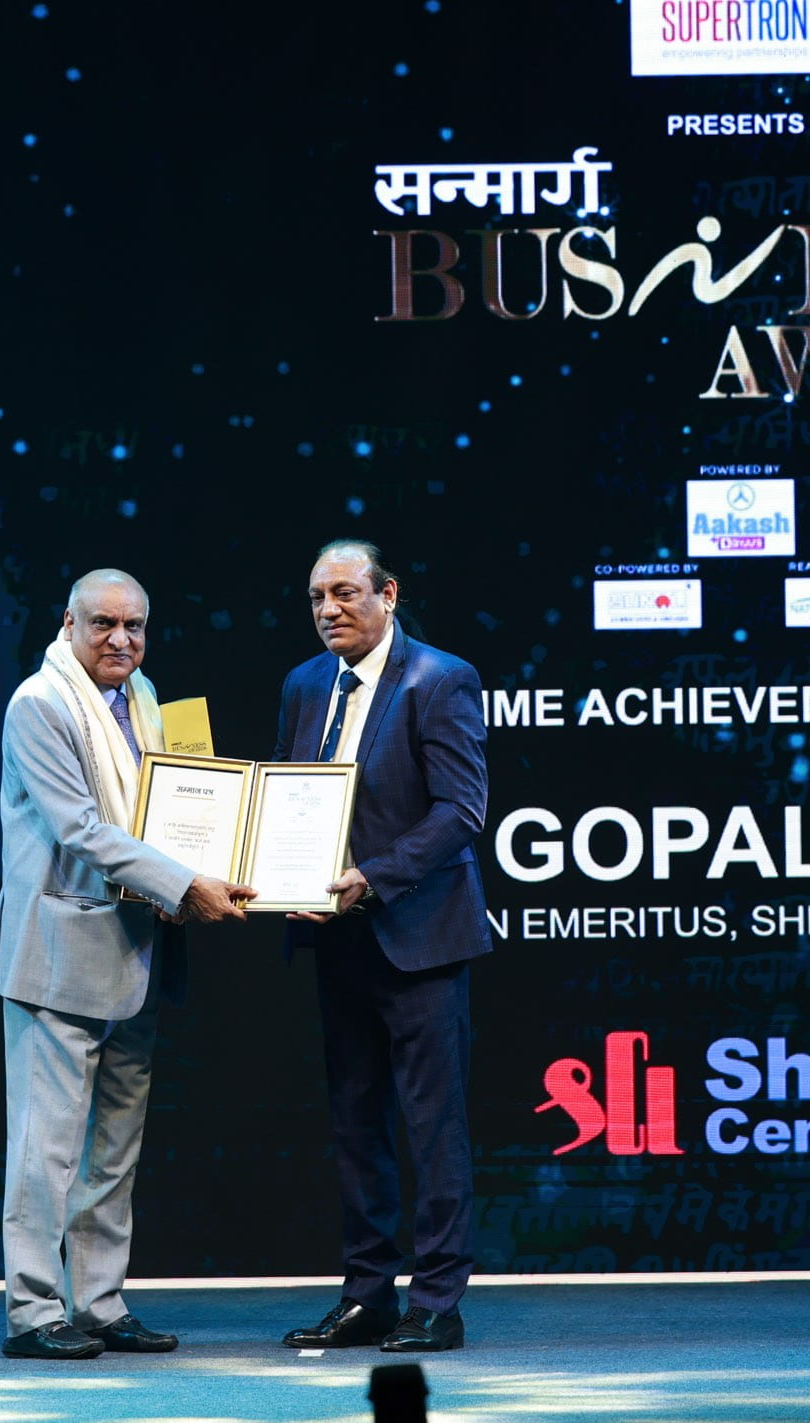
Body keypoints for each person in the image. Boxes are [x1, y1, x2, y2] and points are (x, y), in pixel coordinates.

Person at [0, 569, 256, 1358]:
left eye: (133, 625)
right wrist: (185, 883)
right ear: (67, 622)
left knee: (112, 1150)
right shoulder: (39, 704)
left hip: (136, 947)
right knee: (44, 1148)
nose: (120, 638)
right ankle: (33, 1311)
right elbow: (79, 829)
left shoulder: (142, 699)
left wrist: (214, 862)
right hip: (60, 953)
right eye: (102, 622)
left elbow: (172, 810)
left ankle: (99, 1302)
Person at [274, 539, 490, 1353]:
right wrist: (282, 879)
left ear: (387, 593)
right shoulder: (304, 682)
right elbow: (290, 800)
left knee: (433, 1126)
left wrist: (372, 876)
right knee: (355, 1125)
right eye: (316, 596)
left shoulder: (439, 678)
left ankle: (436, 1301)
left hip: (419, 936)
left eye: (344, 592)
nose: (328, 609)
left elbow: (460, 810)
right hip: (336, 938)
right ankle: (366, 1294)